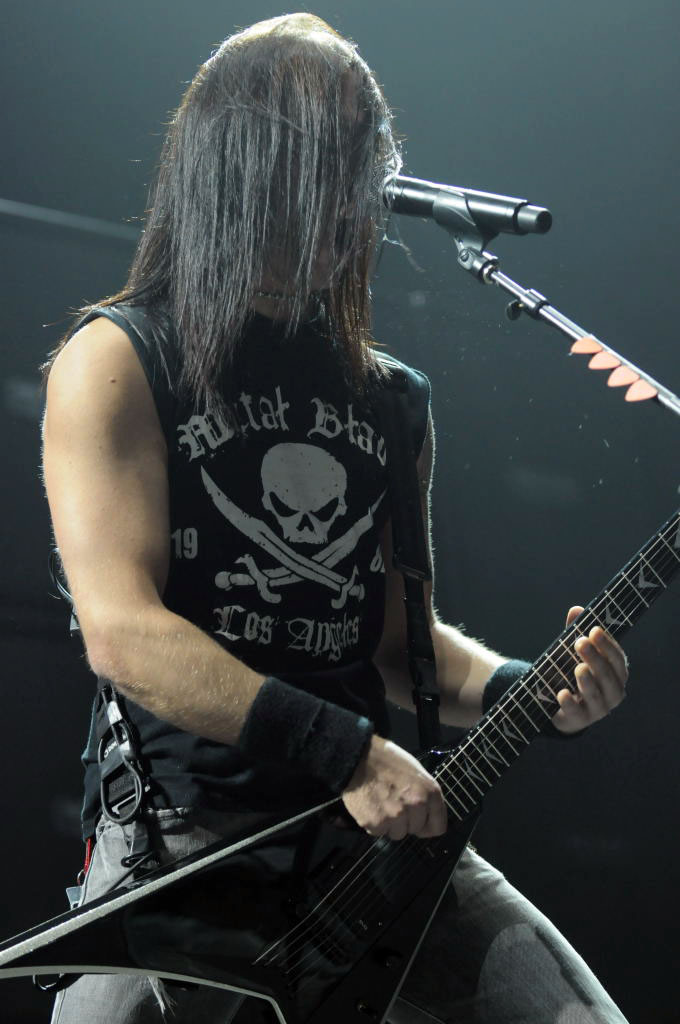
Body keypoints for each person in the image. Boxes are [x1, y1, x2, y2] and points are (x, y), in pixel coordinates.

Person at [42, 13, 630, 1024]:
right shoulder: (120, 357)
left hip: (372, 840)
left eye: (366, 160)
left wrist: (525, 690)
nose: (357, 203)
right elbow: (122, 632)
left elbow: (397, 641)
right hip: (188, 840)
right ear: (247, 167)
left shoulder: (391, 399)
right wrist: (347, 752)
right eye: (333, 158)